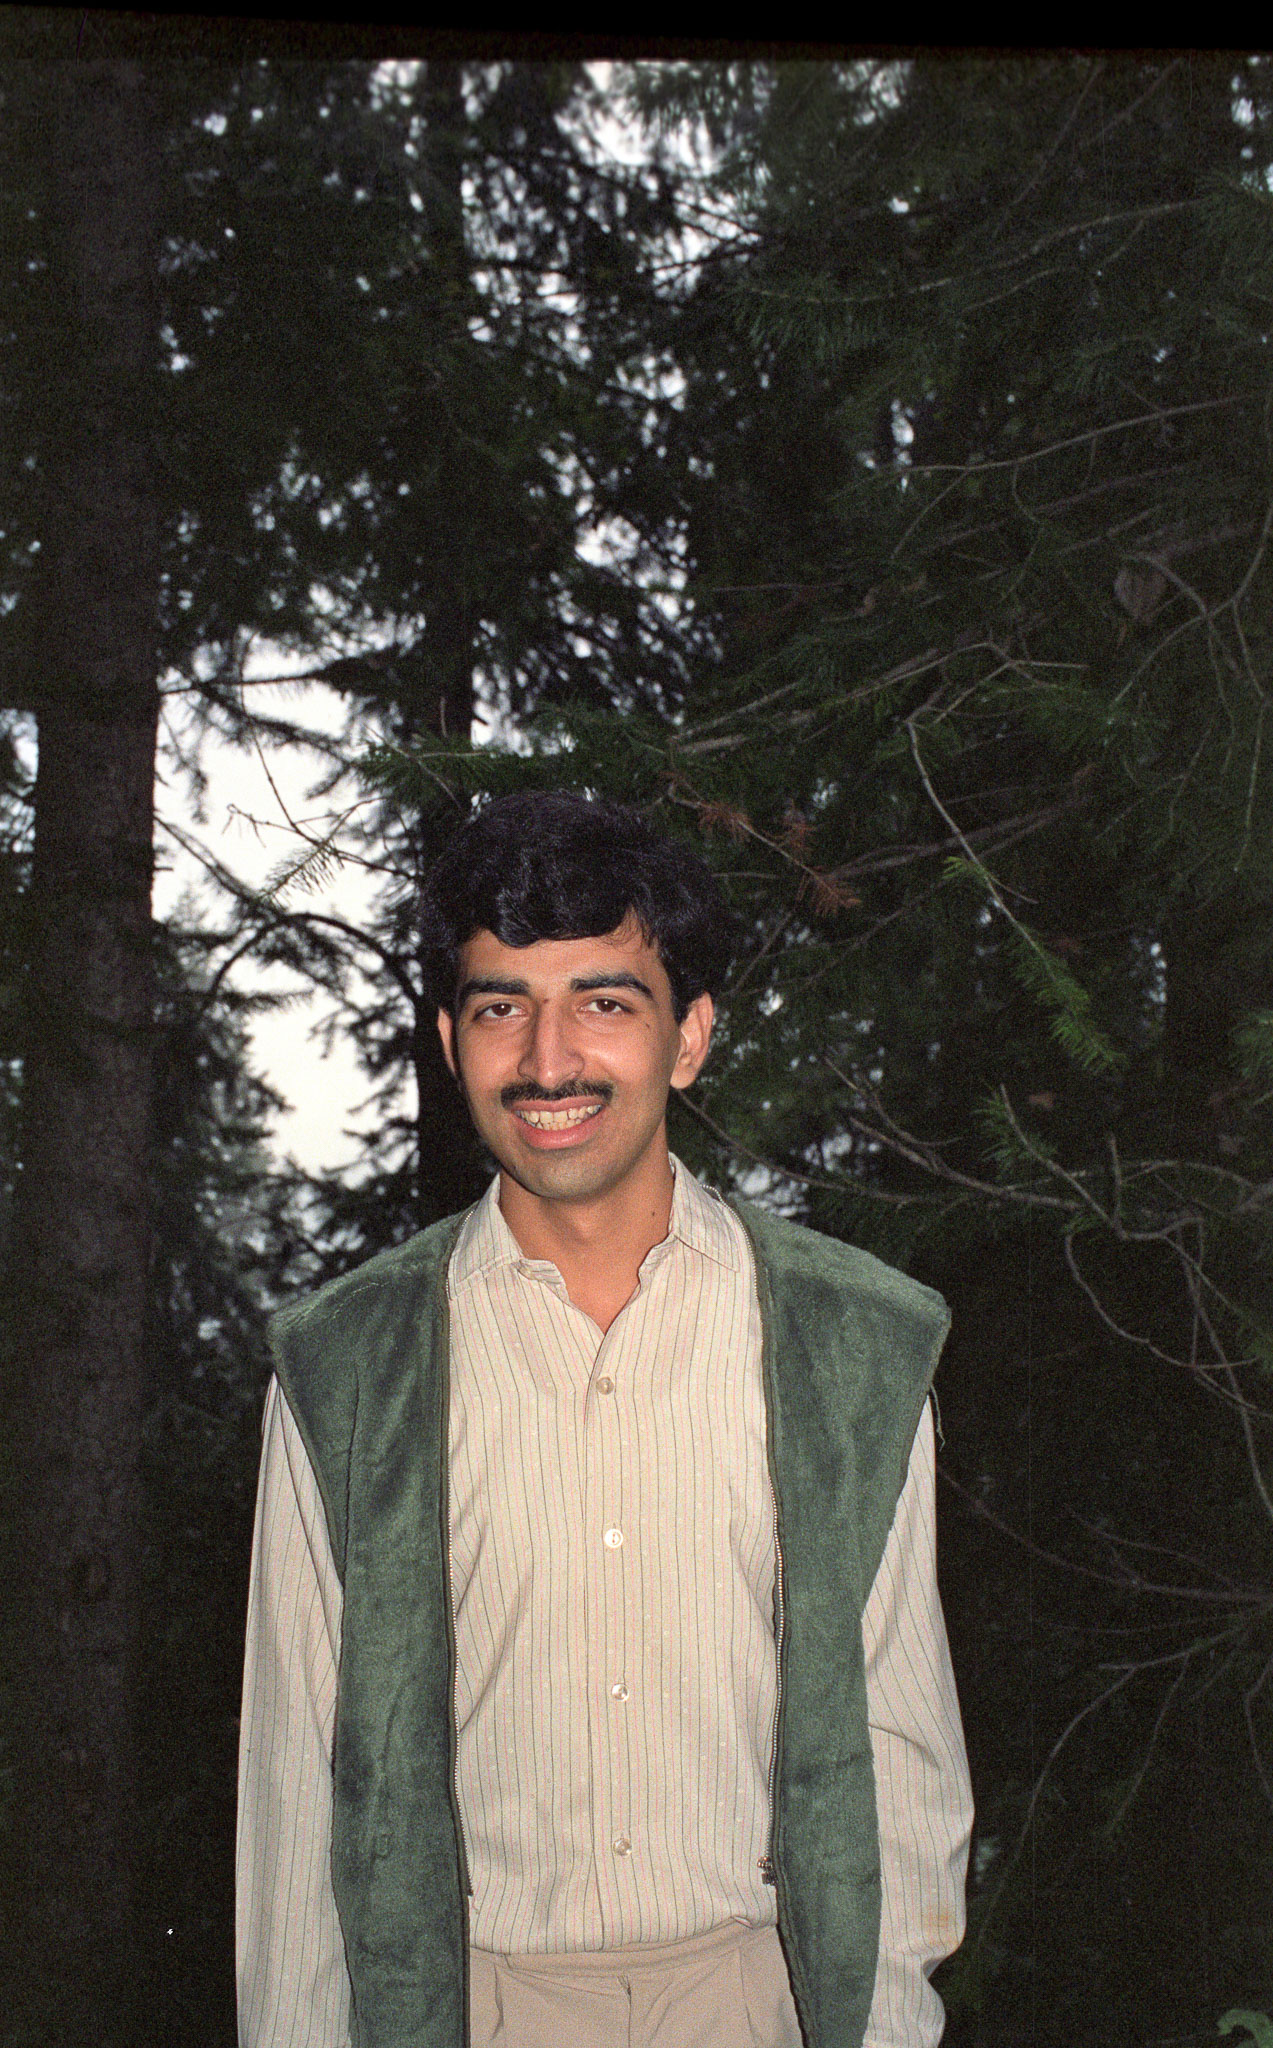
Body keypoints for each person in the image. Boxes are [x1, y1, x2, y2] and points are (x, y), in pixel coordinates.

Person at [236, 791, 972, 2048]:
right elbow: (301, 1787)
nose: (548, 1060)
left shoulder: (850, 1339)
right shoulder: (347, 1364)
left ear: (689, 1036)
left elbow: (900, 1759)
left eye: (605, 1001)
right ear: (449, 1039)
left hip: (762, 2002)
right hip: (466, 2008)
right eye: (500, 1007)